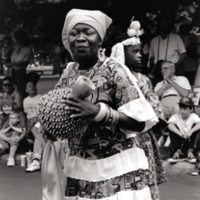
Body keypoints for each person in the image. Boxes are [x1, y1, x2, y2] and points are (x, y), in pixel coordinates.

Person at [40, 9, 160, 200]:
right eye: (74, 33)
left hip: (117, 170)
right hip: (81, 170)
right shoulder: (69, 73)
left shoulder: (114, 70)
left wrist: (99, 112)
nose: (80, 38)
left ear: (100, 39)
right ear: (68, 39)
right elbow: (60, 111)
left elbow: (139, 124)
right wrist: (50, 127)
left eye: (88, 32)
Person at [110, 20, 167, 200]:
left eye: (140, 51)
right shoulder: (112, 80)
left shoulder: (143, 79)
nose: (140, 55)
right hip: (122, 137)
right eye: (134, 51)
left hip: (143, 137)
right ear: (121, 52)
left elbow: (156, 110)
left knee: (145, 178)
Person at [149, 16, 187, 86]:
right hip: (159, 70)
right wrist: (152, 70)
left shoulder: (176, 38)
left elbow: (183, 54)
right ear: (159, 26)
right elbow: (151, 58)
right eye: (163, 24)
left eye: (167, 24)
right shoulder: (154, 40)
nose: (165, 26)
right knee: (158, 90)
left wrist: (176, 67)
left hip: (173, 69)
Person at [167, 97, 200, 164]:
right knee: (172, 128)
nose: (182, 111)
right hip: (180, 142)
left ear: (191, 109)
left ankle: (190, 152)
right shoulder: (176, 116)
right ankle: (178, 152)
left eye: (185, 109)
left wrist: (190, 132)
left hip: (191, 142)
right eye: (181, 108)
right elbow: (169, 125)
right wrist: (181, 134)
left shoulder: (193, 116)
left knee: (196, 127)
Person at [4, 29, 33, 98]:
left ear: (21, 39)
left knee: (21, 91)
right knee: (10, 89)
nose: (15, 40)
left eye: (17, 38)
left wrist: (11, 64)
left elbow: (24, 63)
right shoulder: (14, 48)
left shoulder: (27, 49)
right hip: (12, 71)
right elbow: (4, 56)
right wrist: (8, 48)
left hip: (20, 72)